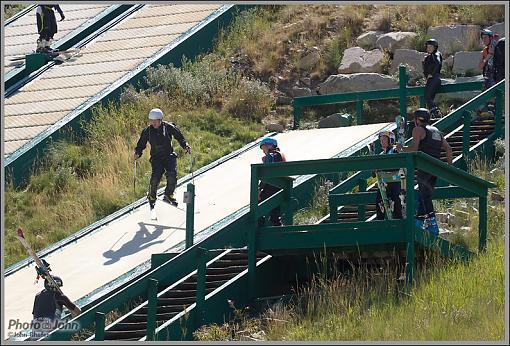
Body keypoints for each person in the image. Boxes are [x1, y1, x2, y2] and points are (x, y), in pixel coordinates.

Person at [396, 108, 453, 235]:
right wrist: (450, 168)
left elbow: (414, 148)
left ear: (417, 119)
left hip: (424, 166)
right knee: (424, 194)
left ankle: (433, 225)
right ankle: (418, 222)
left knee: (425, 195)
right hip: (435, 168)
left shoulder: (418, 130)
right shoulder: (437, 131)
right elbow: (448, 149)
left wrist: (401, 148)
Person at [134, 108, 191, 209]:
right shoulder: (147, 131)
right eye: (151, 121)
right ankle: (152, 195)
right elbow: (141, 144)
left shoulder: (169, 127)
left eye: (155, 121)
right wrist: (138, 152)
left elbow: (179, 136)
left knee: (172, 174)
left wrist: (185, 145)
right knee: (156, 176)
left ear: (160, 120)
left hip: (169, 155)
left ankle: (168, 195)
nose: (153, 123)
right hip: (156, 158)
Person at [31, 275, 81, 340]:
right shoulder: (60, 296)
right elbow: (78, 311)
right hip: (51, 332)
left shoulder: (37, 296)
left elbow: (34, 314)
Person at [258, 137, 286, 227]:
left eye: (264, 148)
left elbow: (268, 173)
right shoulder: (278, 154)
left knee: (259, 204)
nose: (263, 151)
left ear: (270, 146)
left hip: (272, 185)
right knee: (275, 211)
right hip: (279, 185)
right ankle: (276, 225)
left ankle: (260, 224)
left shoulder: (272, 155)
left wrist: (260, 188)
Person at [374, 131, 402, 220]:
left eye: (384, 139)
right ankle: (381, 225)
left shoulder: (394, 151)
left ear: (390, 140)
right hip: (383, 183)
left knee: (396, 205)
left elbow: (395, 166)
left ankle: (399, 225)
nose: (382, 141)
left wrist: (381, 168)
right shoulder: (382, 154)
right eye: (381, 140)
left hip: (394, 182)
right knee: (379, 204)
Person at [422, 38, 443, 119]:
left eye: (431, 47)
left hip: (435, 78)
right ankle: (433, 113)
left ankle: (436, 113)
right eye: (428, 47)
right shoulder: (430, 56)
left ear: (435, 47)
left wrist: (432, 74)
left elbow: (438, 63)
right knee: (428, 97)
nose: (429, 48)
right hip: (432, 79)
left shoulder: (436, 54)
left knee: (427, 96)